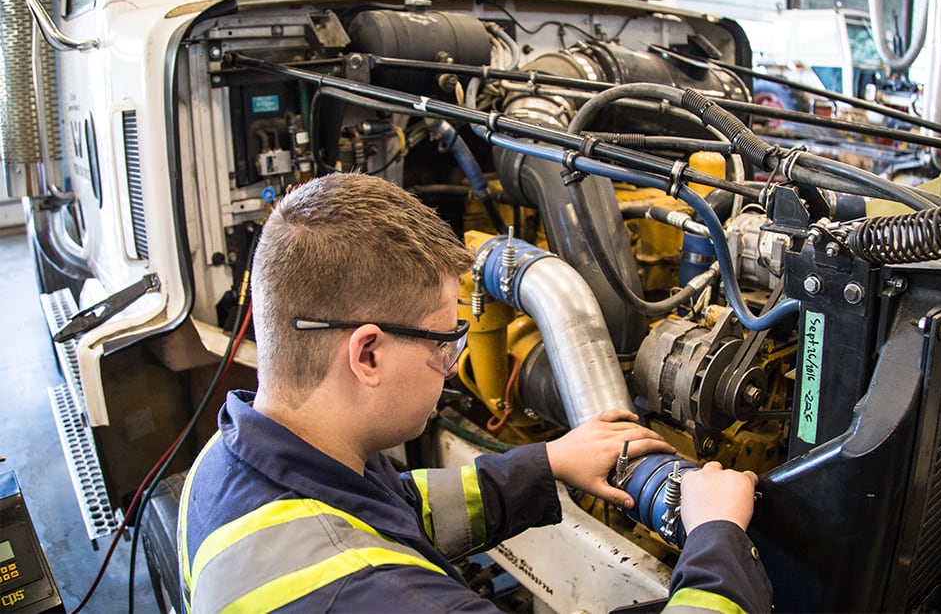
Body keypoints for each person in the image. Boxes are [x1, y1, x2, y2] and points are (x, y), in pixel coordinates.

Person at [178, 172, 770, 613]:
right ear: (367, 353)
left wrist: (546, 463)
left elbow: (391, 514)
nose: (451, 363)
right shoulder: (385, 597)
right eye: (445, 343)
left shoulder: (224, 463)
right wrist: (717, 543)